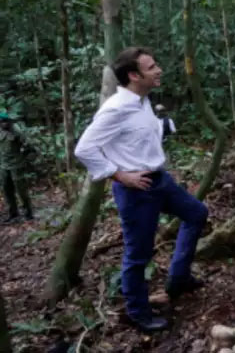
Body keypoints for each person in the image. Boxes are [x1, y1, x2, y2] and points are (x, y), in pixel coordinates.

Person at [74, 47, 208, 333]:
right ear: (134, 75)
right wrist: (120, 176)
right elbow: (84, 148)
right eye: (151, 67)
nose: (158, 70)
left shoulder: (142, 100)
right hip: (137, 190)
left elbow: (138, 134)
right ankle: (138, 312)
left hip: (160, 181)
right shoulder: (116, 108)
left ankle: (178, 278)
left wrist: (164, 128)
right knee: (138, 254)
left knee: (196, 213)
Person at [0, 113, 33, 223]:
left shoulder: (16, 132)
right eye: (2, 122)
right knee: (7, 190)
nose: (4, 124)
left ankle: (28, 213)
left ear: (9, 122)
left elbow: (28, 146)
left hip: (17, 165)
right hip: (4, 166)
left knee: (21, 190)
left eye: (6, 121)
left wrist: (23, 158)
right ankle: (13, 214)